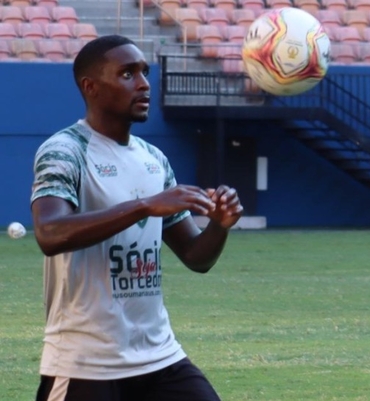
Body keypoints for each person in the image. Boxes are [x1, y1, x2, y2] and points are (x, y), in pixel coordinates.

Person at [32, 35, 243, 401]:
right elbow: (50, 234)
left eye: (144, 72)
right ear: (91, 87)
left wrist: (219, 226)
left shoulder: (153, 159)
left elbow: (196, 257)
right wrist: (144, 206)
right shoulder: (65, 151)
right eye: (128, 74)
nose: (144, 83)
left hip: (159, 357)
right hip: (85, 362)